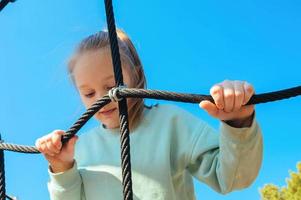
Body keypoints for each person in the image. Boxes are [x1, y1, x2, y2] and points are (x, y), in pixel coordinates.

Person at [35, 29, 263, 200]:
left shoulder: (170, 122)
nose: (103, 99)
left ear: (135, 75)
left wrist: (238, 122)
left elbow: (233, 178)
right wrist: (62, 168)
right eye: (88, 93)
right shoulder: (79, 148)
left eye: (112, 85)